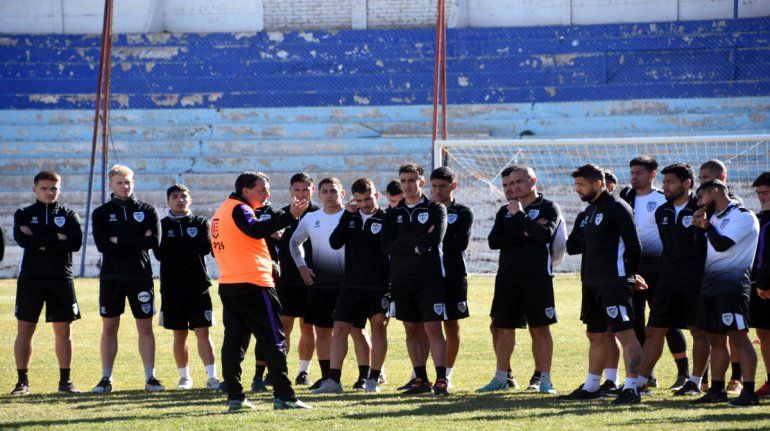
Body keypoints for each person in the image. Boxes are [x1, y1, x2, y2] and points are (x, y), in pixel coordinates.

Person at [211, 171, 310, 410]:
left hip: (230, 283)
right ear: (245, 191)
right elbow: (255, 230)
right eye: (262, 190)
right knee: (274, 339)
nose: (267, 194)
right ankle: (284, 396)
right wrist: (290, 215)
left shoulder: (221, 212)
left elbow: (220, 248)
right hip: (254, 284)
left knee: (234, 342)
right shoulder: (240, 209)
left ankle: (235, 396)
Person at [559, 164, 644, 405]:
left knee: (625, 334)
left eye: (581, 185)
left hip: (614, 282)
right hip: (591, 282)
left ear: (598, 184)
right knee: (595, 334)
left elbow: (634, 246)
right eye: (576, 185)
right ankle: (592, 387)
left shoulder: (618, 208)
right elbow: (573, 246)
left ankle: (632, 388)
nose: (577, 190)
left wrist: (630, 275)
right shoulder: (587, 214)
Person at [479, 165, 561, 394]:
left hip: (537, 278)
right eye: (510, 183)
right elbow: (494, 241)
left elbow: (544, 236)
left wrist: (521, 217)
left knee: (540, 329)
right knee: (503, 328)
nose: (513, 187)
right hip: (507, 278)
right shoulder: (504, 210)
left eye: (519, 182)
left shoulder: (548, 207)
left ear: (533, 181)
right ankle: (501, 377)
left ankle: (545, 379)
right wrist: (526, 232)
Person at [290, 178, 372, 390]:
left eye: (333, 191)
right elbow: (294, 242)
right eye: (325, 191)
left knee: (356, 330)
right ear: (319, 194)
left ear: (342, 193)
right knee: (323, 331)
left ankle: (365, 376)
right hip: (321, 284)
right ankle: (329, 377)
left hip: (350, 283)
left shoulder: (353, 215)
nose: (329, 195)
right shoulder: (310, 218)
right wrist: (301, 266)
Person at [636, 164, 709, 396]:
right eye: (665, 181)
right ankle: (639, 383)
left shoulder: (702, 209)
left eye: (670, 182)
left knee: (698, 331)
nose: (665, 186)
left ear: (687, 183)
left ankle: (695, 382)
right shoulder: (663, 212)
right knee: (654, 330)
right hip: (667, 280)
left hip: (695, 281)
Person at [312, 178, 390, 394]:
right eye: (360, 200)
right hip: (351, 284)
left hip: (379, 285)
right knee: (339, 329)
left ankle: (373, 379)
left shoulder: (387, 218)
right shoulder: (350, 218)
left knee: (377, 327)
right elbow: (335, 242)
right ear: (354, 199)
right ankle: (333, 381)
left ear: (376, 195)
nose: (365, 203)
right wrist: (347, 215)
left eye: (368, 198)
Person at [91, 165, 163, 394]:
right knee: (109, 326)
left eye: (128, 182)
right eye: (120, 182)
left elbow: (154, 242)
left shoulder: (148, 210)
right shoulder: (101, 213)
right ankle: (106, 378)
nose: (125, 186)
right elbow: (103, 245)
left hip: (140, 276)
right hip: (111, 276)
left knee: (145, 326)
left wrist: (118, 240)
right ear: (111, 185)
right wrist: (137, 240)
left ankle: (150, 377)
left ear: (134, 182)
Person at [619, 157, 689, 390]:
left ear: (652, 174)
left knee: (664, 320)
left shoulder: (662, 199)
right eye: (632, 172)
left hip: (658, 267)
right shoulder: (625, 197)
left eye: (639, 172)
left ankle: (684, 373)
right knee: (636, 320)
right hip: (633, 267)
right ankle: (646, 374)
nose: (634, 176)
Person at [11, 171, 82, 395]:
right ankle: (22, 382)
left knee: (63, 330)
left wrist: (39, 241)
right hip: (31, 279)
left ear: (59, 189)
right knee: (25, 330)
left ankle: (65, 382)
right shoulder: (23, 214)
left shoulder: (70, 215)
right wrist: (57, 237)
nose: (50, 192)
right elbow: (23, 240)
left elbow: (75, 243)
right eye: (44, 188)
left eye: (54, 188)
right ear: (35, 189)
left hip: (61, 277)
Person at [381, 163, 450, 397]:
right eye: (404, 181)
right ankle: (421, 378)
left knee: (432, 327)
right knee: (411, 329)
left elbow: (436, 239)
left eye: (412, 180)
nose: (408, 185)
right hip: (401, 279)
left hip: (430, 278)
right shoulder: (393, 213)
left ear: (421, 182)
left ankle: (442, 379)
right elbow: (386, 244)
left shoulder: (436, 208)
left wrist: (404, 241)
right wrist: (418, 243)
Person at [691, 179, 760, 407]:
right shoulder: (714, 218)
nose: (698, 202)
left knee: (739, 338)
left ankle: (749, 392)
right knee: (715, 340)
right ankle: (717, 390)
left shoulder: (743, 216)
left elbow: (722, 245)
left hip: (732, 287)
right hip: (710, 286)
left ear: (715, 191)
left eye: (701, 196)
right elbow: (701, 252)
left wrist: (707, 226)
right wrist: (699, 229)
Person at [154, 184, 220, 390]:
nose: (179, 200)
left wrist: (177, 246)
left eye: (183, 196)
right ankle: (184, 377)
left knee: (203, 332)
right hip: (172, 288)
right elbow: (160, 254)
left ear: (189, 200)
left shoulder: (200, 222)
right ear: (168, 201)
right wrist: (187, 246)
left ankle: (212, 377)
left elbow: (204, 247)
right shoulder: (161, 225)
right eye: (175, 197)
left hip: (198, 286)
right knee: (179, 334)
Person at [275, 173, 319, 386]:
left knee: (308, 326)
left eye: (305, 190)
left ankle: (303, 371)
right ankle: (279, 369)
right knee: (284, 326)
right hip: (287, 280)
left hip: (313, 279)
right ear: (291, 190)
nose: (301, 194)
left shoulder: (320, 214)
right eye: (297, 190)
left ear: (312, 190)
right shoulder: (281, 215)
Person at [750, 172, 770, 398]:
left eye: (765, 193)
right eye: (759, 193)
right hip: (759, 286)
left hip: (765, 285)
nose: (761, 198)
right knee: (764, 332)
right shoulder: (759, 218)